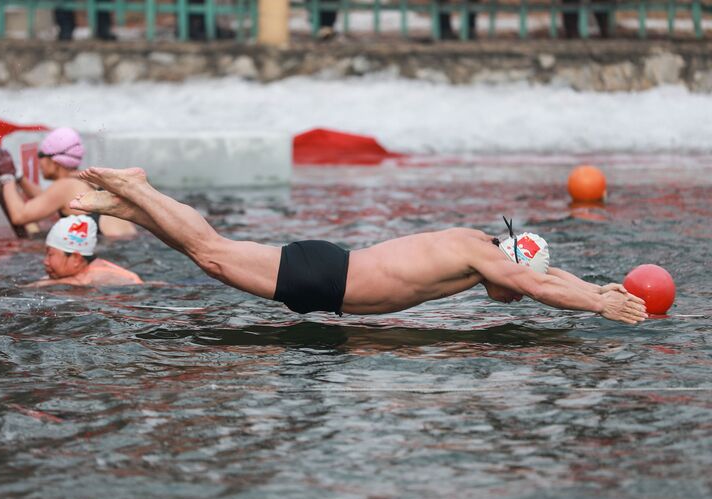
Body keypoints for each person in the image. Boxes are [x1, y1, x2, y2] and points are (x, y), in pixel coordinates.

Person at [69, 167, 647, 324]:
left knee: (212, 255)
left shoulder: (481, 246)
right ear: (511, 261)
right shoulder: (484, 258)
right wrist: (599, 305)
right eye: (513, 287)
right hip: (328, 278)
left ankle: (129, 208)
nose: (514, 298)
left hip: (329, 275)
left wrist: (595, 287)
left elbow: (542, 277)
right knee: (213, 251)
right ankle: (140, 189)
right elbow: (535, 283)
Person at [0, 127, 136, 238]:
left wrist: (7, 177)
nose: (39, 161)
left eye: (41, 155)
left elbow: (19, 216)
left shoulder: (65, 186)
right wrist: (19, 176)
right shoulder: (87, 180)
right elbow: (46, 199)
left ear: (54, 161)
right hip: (128, 243)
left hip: (110, 247)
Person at [28, 215, 143, 287]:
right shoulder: (83, 273)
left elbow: (80, 281)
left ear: (76, 259)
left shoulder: (98, 276)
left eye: (50, 254)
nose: (46, 261)